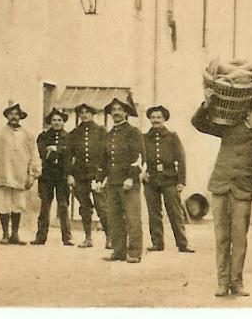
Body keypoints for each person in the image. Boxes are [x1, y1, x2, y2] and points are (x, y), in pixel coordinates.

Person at [191, 97, 252, 297]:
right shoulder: (228, 128)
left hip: (242, 192)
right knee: (221, 237)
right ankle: (222, 282)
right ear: (248, 112)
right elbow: (199, 124)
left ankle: (236, 282)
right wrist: (206, 104)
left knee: (240, 239)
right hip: (220, 187)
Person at [97, 97, 146, 264]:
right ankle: (118, 251)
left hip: (128, 183)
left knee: (132, 218)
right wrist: (99, 179)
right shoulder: (109, 135)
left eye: (120, 109)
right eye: (113, 110)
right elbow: (104, 160)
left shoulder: (133, 132)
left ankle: (134, 252)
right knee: (114, 218)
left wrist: (131, 178)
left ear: (126, 112)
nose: (116, 112)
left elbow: (139, 157)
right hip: (113, 182)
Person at [142, 105, 193, 253]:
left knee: (175, 212)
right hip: (151, 180)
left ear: (164, 119)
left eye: (158, 117)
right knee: (154, 212)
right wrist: (141, 172)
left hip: (169, 179)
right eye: (153, 117)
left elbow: (181, 159)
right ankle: (157, 243)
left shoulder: (172, 137)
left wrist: (181, 181)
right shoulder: (144, 138)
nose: (155, 120)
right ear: (149, 119)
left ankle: (183, 243)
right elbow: (138, 157)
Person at [0, 103, 41, 245]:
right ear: (6, 116)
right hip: (3, 173)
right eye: (11, 114)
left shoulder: (28, 135)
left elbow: (34, 155)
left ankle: (15, 234)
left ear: (20, 117)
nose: (14, 116)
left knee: (18, 204)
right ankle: (5, 234)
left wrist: (32, 174)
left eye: (16, 114)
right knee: (3, 204)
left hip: (20, 175)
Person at [65, 102, 110, 249]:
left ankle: (110, 238)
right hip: (80, 176)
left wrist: (103, 175)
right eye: (81, 112)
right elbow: (68, 156)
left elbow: (107, 154)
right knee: (84, 207)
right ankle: (88, 238)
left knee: (102, 206)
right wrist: (70, 175)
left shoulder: (101, 131)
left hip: (96, 175)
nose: (84, 115)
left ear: (92, 114)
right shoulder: (74, 133)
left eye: (87, 112)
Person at [32, 108, 73, 246]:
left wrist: (57, 150)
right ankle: (40, 237)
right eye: (54, 120)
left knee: (63, 205)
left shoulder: (68, 137)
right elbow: (41, 152)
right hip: (47, 175)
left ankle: (67, 238)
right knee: (45, 205)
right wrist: (51, 152)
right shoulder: (43, 136)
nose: (56, 123)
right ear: (50, 122)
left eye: (59, 120)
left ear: (63, 122)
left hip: (62, 175)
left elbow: (69, 153)